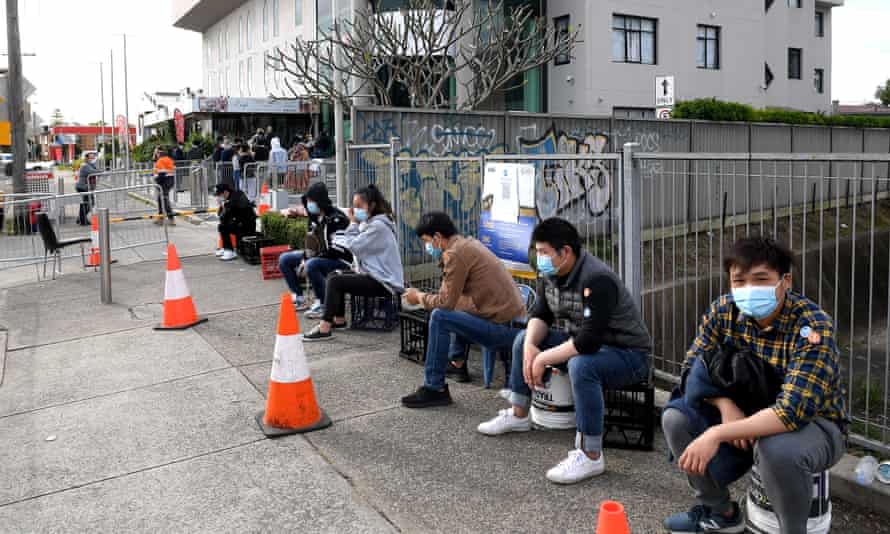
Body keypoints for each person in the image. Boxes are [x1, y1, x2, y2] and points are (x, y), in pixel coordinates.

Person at [661, 237, 848, 534]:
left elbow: (791, 412)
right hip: (745, 408)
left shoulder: (812, 326)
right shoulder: (724, 311)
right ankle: (720, 512)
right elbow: (690, 368)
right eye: (739, 281)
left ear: (785, 280)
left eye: (761, 279)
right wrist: (725, 406)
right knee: (675, 418)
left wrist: (717, 433)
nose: (749, 290)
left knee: (778, 450)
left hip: (817, 424)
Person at [476, 218, 651, 484]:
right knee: (523, 338)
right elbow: (541, 314)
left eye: (545, 252)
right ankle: (519, 414)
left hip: (626, 355)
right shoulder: (553, 274)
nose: (540, 258)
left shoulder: (597, 279)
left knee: (583, 365)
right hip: (583, 342)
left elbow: (589, 342)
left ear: (565, 252)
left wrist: (544, 357)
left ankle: (590, 454)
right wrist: (532, 347)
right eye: (538, 251)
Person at [400, 212, 527, 408]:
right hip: (510, 323)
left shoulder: (456, 254)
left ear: (437, 237)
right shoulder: (464, 245)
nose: (427, 247)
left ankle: (435, 387)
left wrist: (418, 297)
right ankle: (456, 363)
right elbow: (452, 297)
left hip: (507, 330)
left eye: (427, 241)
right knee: (454, 310)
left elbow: (444, 303)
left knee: (440, 317)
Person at [304, 184, 404, 341]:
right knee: (334, 276)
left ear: (372, 205)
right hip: (375, 276)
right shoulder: (373, 223)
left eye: (359, 206)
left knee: (336, 280)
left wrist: (353, 223)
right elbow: (353, 243)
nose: (355, 210)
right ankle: (338, 320)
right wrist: (354, 228)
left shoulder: (378, 226)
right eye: (354, 206)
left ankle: (325, 327)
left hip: (383, 282)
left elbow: (353, 246)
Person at [278, 182, 352, 312]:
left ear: (320, 201)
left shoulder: (336, 219)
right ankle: (299, 298)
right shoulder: (314, 217)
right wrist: (305, 258)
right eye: (307, 201)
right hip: (320, 256)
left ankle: (323, 303)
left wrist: (308, 261)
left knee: (312, 264)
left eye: (311, 201)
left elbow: (336, 251)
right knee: (285, 259)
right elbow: (310, 243)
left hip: (340, 260)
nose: (309, 204)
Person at [214, 183, 256, 261]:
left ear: (225, 192)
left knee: (222, 227)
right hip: (242, 224)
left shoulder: (233, 199)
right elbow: (222, 216)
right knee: (223, 225)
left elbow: (223, 217)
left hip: (246, 227)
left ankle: (229, 251)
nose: (219, 197)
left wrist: (222, 205)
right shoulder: (234, 195)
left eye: (219, 195)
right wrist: (222, 206)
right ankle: (225, 247)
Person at [76, 151, 100, 226]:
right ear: (86, 158)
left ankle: (80, 218)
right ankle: (82, 220)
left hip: (87, 187)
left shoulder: (90, 165)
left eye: (93, 156)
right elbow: (94, 172)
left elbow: (96, 170)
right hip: (83, 187)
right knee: (87, 203)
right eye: (91, 157)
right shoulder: (85, 166)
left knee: (88, 203)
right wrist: (101, 171)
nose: (93, 158)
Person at [153, 149, 176, 225]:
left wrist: (157, 181)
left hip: (164, 182)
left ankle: (170, 218)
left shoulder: (160, 161)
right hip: (170, 180)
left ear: (159, 154)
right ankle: (161, 218)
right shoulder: (169, 159)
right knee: (161, 199)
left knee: (164, 199)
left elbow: (162, 173)